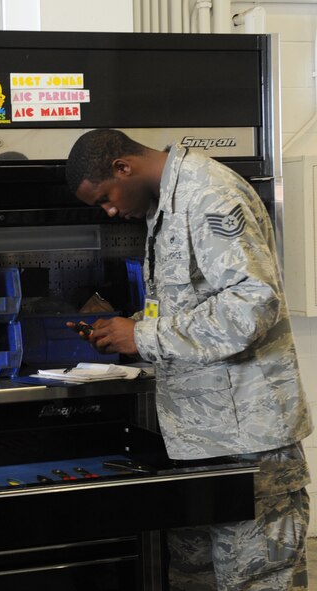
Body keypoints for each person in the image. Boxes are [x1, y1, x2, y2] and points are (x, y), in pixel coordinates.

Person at [65, 129, 313, 590]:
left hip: (250, 446)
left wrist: (143, 335)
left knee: (259, 582)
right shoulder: (168, 202)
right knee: (192, 580)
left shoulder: (209, 194)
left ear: (123, 167)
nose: (112, 211)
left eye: (105, 199)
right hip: (199, 445)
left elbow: (252, 306)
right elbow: (193, 303)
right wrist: (127, 329)